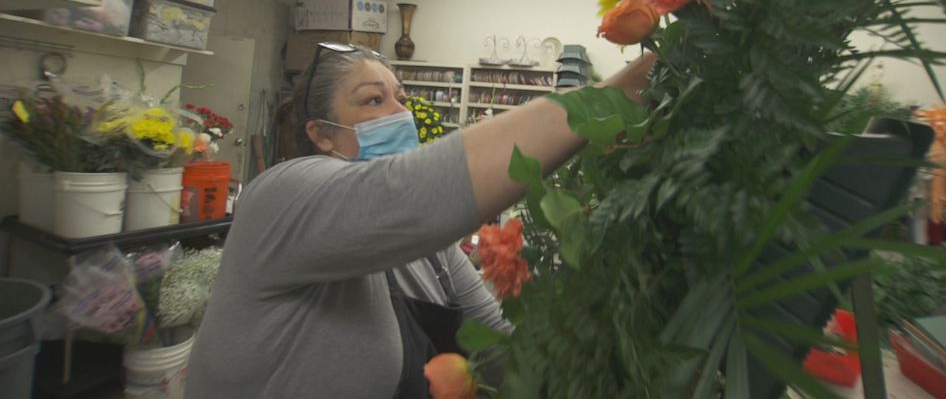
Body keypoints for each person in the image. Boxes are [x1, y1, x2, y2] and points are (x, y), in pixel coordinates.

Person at [185, 42, 656, 398]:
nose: (400, 114)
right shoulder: (282, 195)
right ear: (322, 134)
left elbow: (495, 343)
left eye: (401, 97)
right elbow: (415, 193)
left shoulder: (431, 250)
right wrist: (616, 94)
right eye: (373, 101)